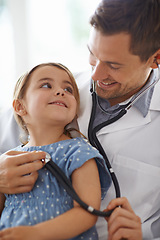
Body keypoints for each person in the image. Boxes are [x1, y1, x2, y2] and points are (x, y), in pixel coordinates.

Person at [0, 0, 160, 239]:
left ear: (155, 59)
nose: (95, 74)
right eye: (92, 54)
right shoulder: (53, 93)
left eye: (113, 65)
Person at [0, 62, 111, 240]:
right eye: (46, 85)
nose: (60, 92)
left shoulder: (79, 152)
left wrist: (35, 234)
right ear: (20, 107)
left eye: (68, 90)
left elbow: (87, 213)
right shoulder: (10, 160)